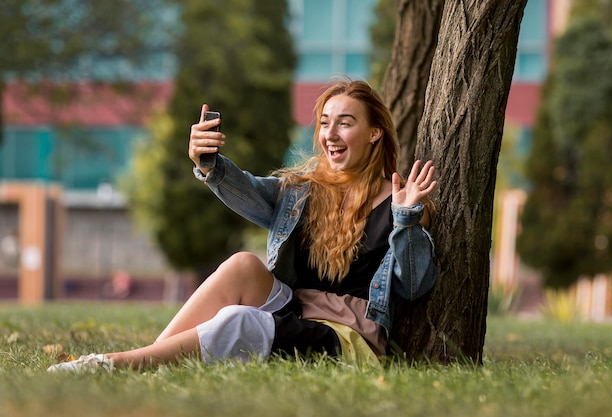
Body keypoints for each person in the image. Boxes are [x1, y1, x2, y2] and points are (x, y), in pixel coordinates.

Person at [48, 79, 438, 372]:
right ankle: (143, 362)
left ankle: (119, 364)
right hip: (296, 312)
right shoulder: (303, 192)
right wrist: (208, 164)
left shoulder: (401, 200)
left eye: (345, 123)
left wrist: (406, 220)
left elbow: (414, 286)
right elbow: (249, 190)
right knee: (241, 265)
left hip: (347, 338)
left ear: (374, 133)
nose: (330, 135)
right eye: (324, 123)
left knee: (238, 322)